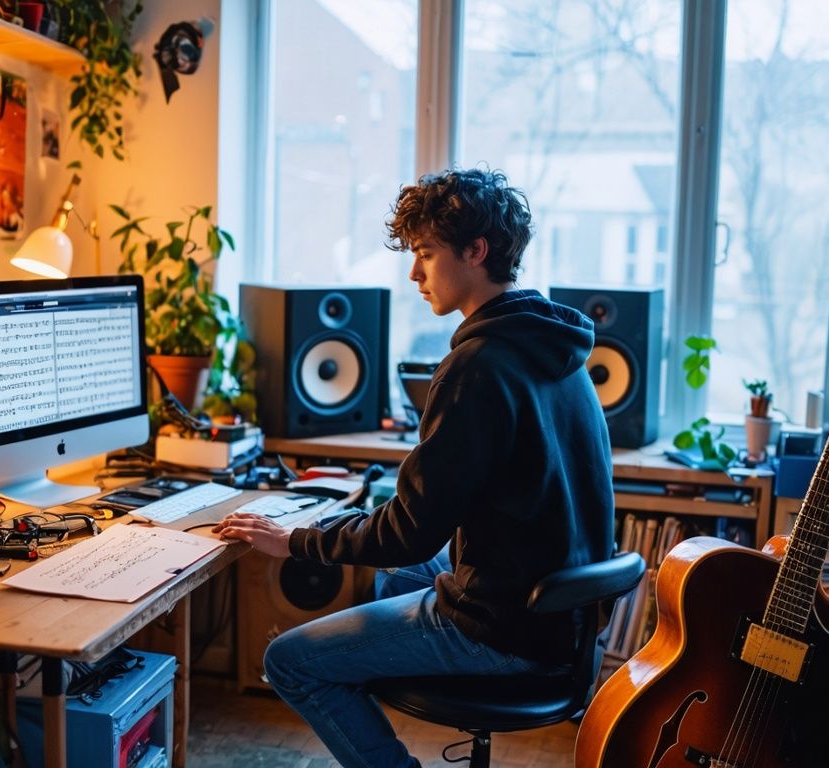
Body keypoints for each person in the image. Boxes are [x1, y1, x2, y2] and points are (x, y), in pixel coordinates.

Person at [213, 167, 614, 768]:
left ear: (475, 252)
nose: (414, 273)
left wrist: (296, 540)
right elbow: (423, 523)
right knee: (393, 581)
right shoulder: (556, 347)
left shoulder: (475, 366)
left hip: (502, 630)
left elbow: (408, 532)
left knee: (290, 661)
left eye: (426, 254)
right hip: (556, 617)